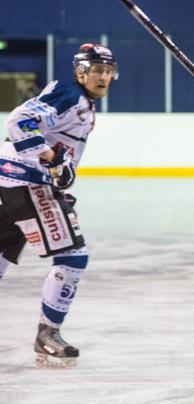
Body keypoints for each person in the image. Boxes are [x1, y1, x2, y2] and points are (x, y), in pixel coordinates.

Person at [0, 43, 118, 368]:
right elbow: (18, 120)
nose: (103, 76)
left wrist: (60, 171)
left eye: (108, 71)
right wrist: (50, 158)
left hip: (12, 178)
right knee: (72, 255)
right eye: (97, 70)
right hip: (27, 179)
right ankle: (47, 334)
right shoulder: (69, 94)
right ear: (81, 71)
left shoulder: (83, 104)